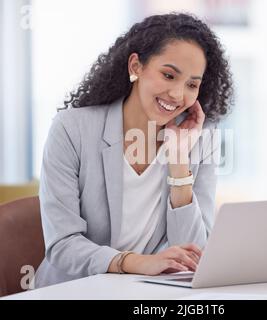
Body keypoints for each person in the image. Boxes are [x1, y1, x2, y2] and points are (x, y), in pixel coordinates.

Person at [34, 13, 233, 288]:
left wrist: (178, 162)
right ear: (136, 66)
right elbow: (62, 245)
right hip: (74, 290)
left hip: (148, 293)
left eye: (191, 85)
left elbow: (195, 253)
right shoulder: (72, 129)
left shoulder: (199, 139)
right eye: (168, 75)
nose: (177, 94)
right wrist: (133, 262)